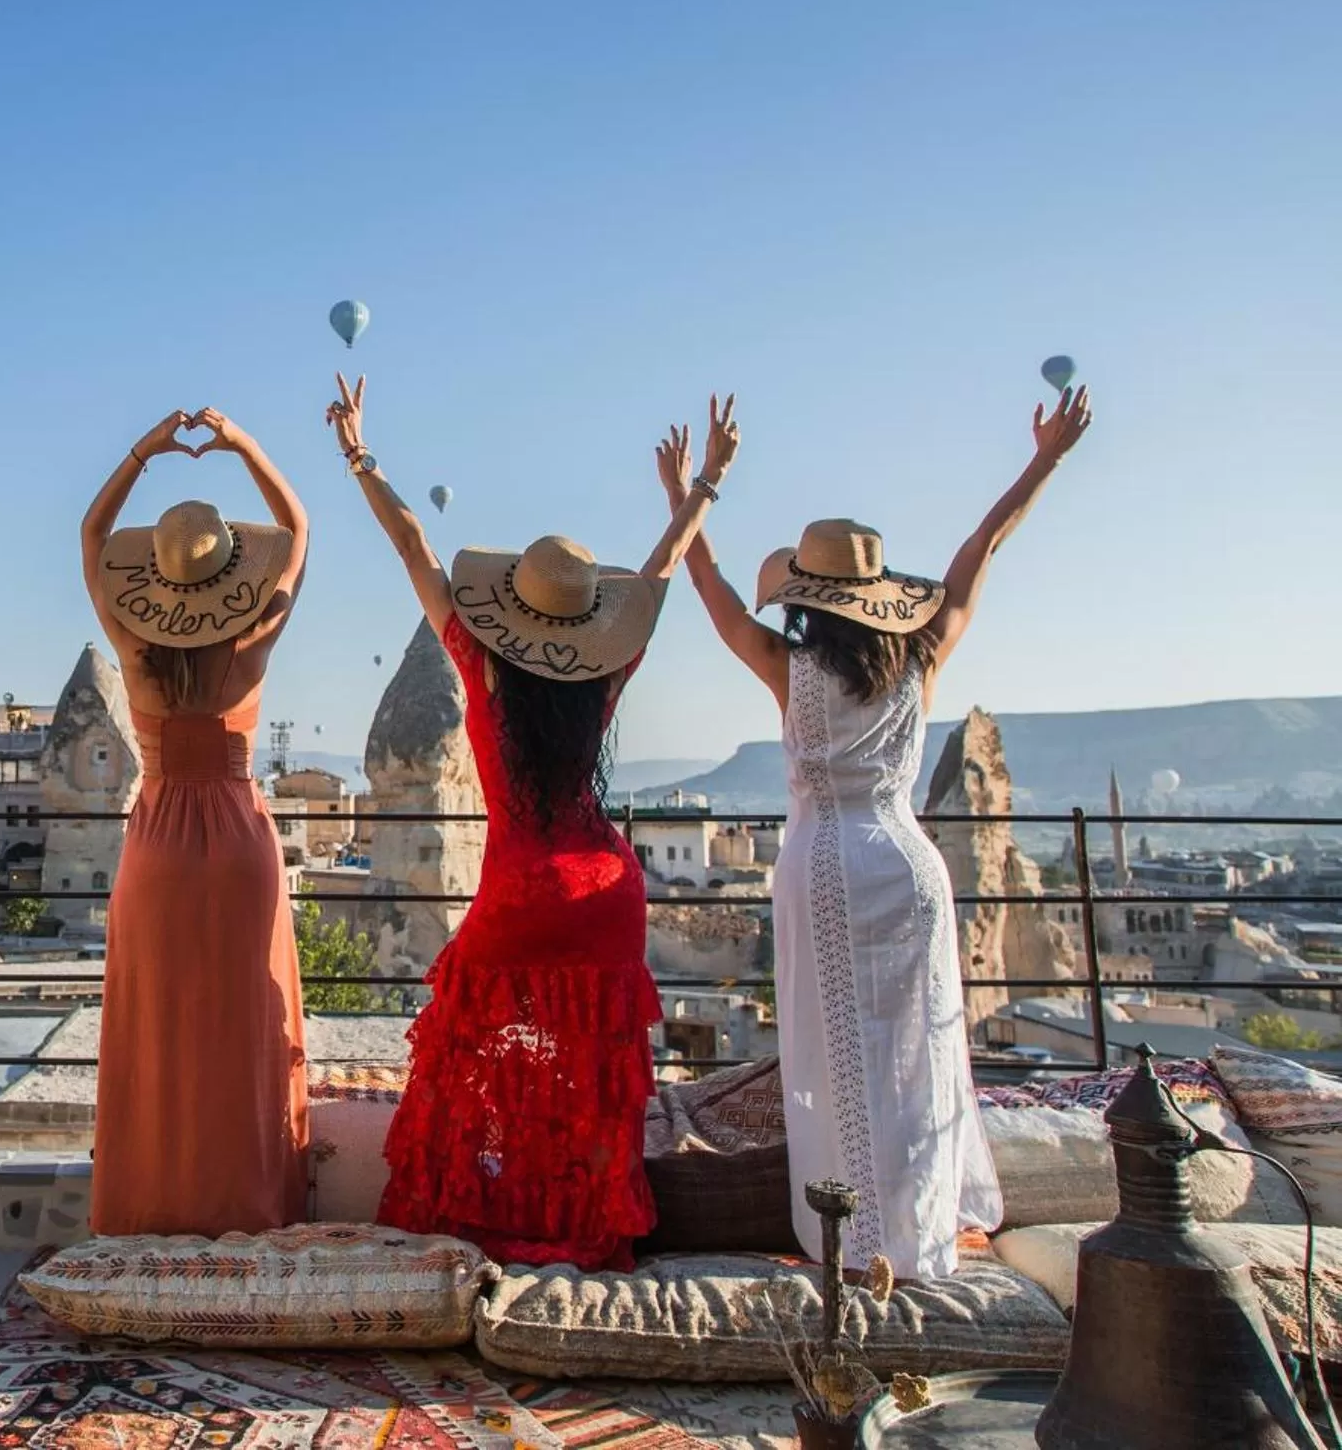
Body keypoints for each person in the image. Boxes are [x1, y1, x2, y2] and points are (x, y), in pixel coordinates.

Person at [665, 385, 1093, 1280]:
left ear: (808, 597)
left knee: (831, 1058)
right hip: (907, 865)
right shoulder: (922, 657)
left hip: (821, 865)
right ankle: (919, 1230)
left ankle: (850, 1240)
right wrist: (1044, 460)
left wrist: (692, 495)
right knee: (919, 1053)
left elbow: (707, 591)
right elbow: (981, 550)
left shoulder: (789, 665)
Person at [332, 375, 737, 1267]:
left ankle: (491, 1222)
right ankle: (577, 1228)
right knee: (586, 1072)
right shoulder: (602, 678)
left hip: (520, 890)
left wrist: (361, 456)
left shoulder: (478, 669)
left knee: (476, 1061)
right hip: (604, 888)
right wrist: (700, 487)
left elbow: (413, 546)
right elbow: (660, 578)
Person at [81, 405, 312, 1235]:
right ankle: (245, 1206)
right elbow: (297, 527)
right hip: (241, 847)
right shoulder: (250, 653)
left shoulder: (134, 657)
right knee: (242, 1026)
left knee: (160, 1028)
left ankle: (153, 1206)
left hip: (158, 850)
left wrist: (145, 448)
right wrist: (244, 442)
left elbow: (90, 535)